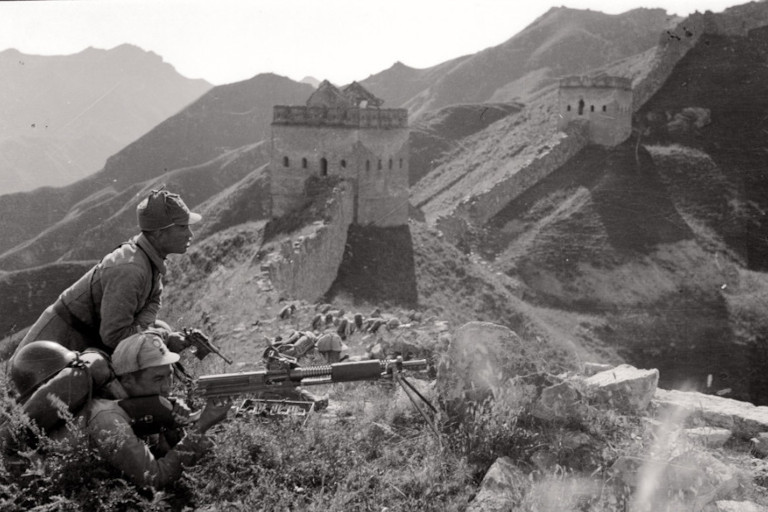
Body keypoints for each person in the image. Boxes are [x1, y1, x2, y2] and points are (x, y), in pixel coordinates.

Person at [12, 187, 200, 361]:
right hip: (56, 343)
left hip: (83, 340)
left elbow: (153, 300)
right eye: (183, 227)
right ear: (159, 233)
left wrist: (149, 330)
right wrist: (164, 339)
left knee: (159, 330)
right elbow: (114, 336)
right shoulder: (131, 269)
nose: (190, 234)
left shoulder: (149, 261)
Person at [83, 330, 231, 488]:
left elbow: (166, 452)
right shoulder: (108, 419)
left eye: (169, 375)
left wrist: (178, 422)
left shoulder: (143, 404)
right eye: (158, 378)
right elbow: (155, 478)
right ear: (127, 380)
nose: (167, 387)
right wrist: (201, 427)